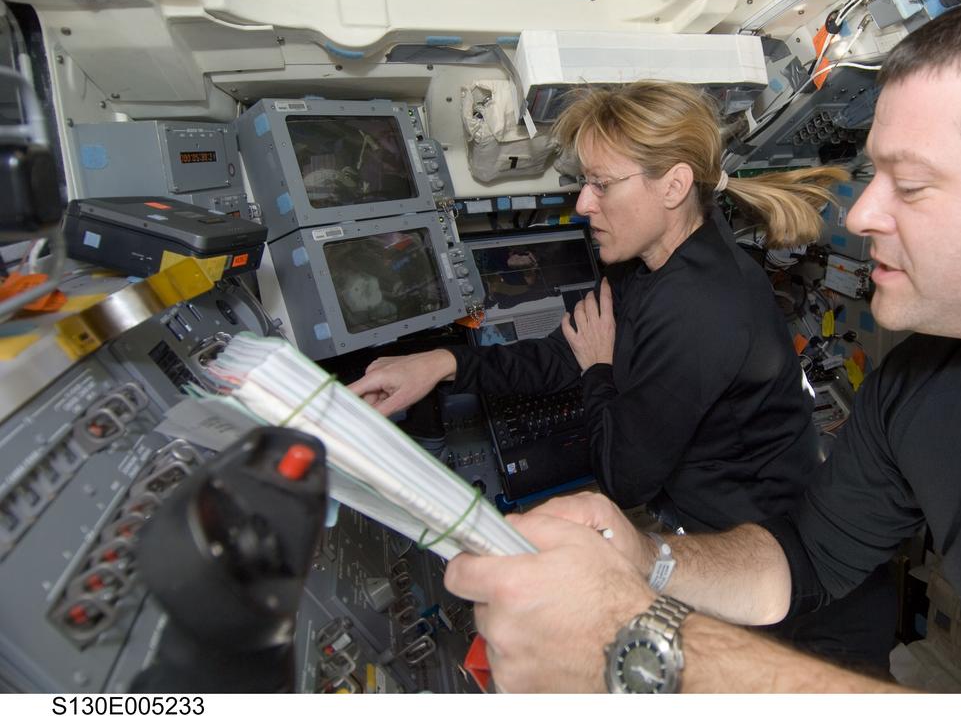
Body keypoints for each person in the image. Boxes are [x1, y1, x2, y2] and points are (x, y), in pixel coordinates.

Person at [441, 0, 961, 693]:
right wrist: (645, 559)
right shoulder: (921, 379)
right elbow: (803, 559)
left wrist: (640, 643)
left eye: (908, 185)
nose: (865, 213)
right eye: (874, 174)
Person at [349, 82, 898, 670]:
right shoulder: (647, 264)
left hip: (798, 602)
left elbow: (624, 478)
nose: (584, 204)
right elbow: (567, 349)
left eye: (602, 185)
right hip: (736, 553)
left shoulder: (700, 307)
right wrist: (445, 363)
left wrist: (599, 371)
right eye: (583, 183)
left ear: (674, 186)